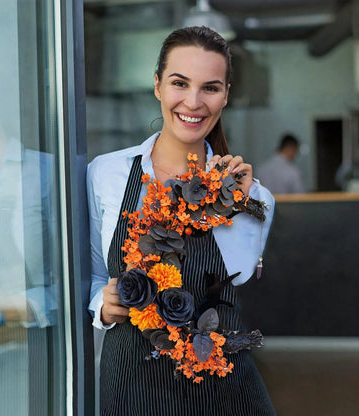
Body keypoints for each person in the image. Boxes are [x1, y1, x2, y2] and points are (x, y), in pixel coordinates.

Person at [87, 26, 276, 416]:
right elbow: (89, 275)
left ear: (226, 95)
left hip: (224, 389)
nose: (193, 102)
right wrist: (100, 306)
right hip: (131, 384)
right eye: (179, 83)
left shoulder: (254, 196)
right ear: (157, 86)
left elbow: (238, 276)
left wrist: (234, 203)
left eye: (210, 87)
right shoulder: (105, 174)